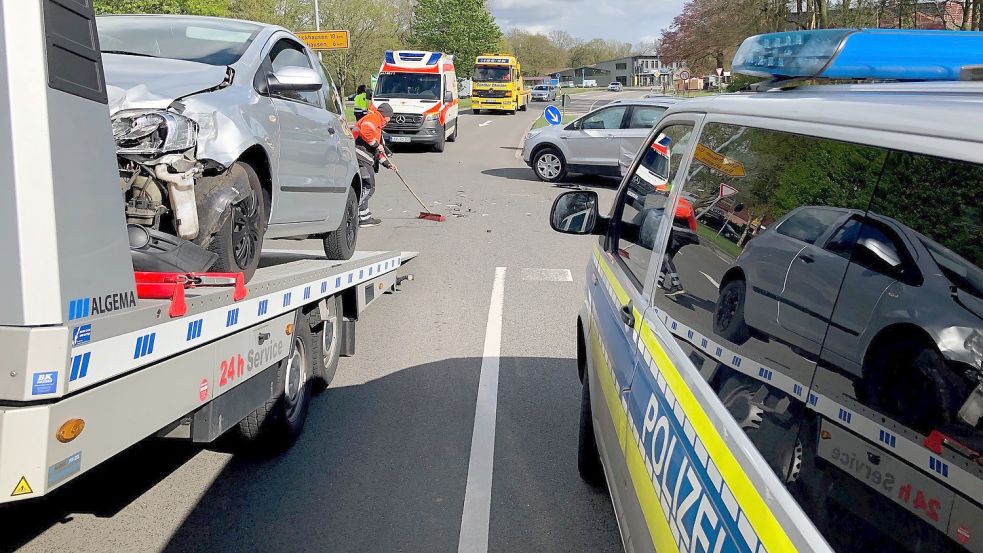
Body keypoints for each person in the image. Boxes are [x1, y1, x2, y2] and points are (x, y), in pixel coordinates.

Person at [351, 102, 396, 227]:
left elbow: (379, 153)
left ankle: (363, 215)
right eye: (389, 117)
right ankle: (362, 217)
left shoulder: (378, 126)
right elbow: (366, 132)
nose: (389, 120)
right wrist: (377, 144)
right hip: (361, 156)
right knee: (368, 186)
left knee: (366, 185)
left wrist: (388, 164)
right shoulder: (373, 118)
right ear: (385, 115)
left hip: (364, 157)